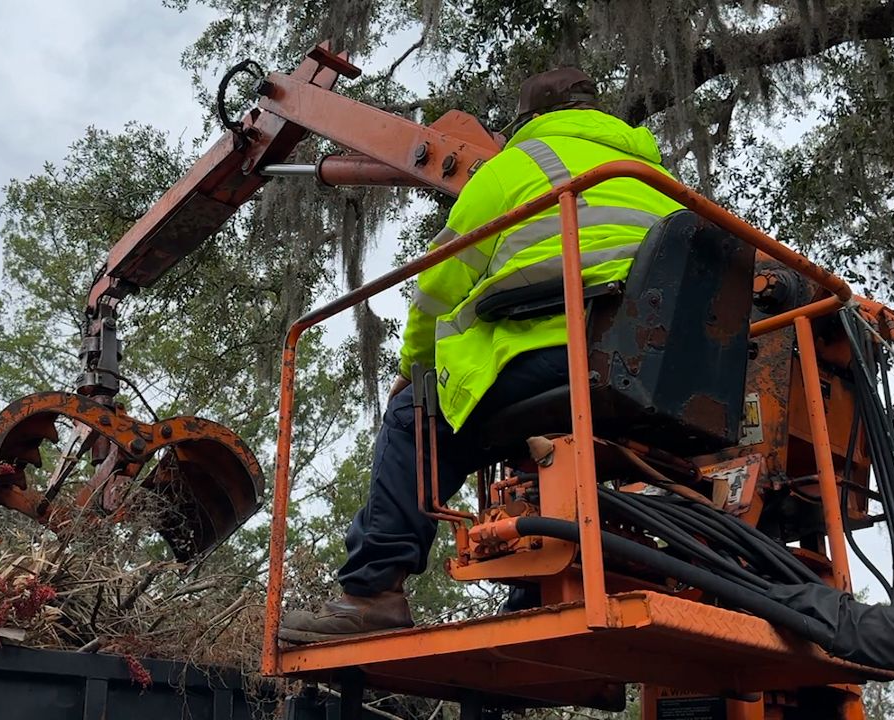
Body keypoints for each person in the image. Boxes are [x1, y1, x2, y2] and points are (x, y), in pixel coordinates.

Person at [277, 67, 684, 644]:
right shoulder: (658, 178)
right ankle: (533, 588)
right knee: (534, 439)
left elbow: (438, 287)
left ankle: (372, 594)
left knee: (414, 419)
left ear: (530, 121)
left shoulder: (514, 169)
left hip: (569, 354)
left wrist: (412, 371)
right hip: (663, 372)